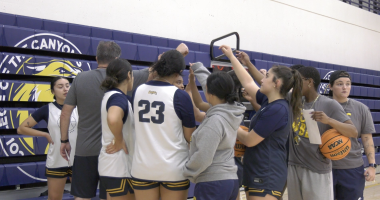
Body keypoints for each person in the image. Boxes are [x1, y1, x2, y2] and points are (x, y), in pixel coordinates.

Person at [59, 41, 154, 200]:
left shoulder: (80, 78)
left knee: (82, 197)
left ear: (96, 58)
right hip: (114, 151)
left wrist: (64, 140)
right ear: (118, 60)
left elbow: (65, 113)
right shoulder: (128, 76)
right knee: (110, 197)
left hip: (85, 150)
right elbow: (155, 71)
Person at [220, 45, 303, 200]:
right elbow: (248, 82)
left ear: (276, 83)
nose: (262, 79)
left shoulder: (278, 109)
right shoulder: (269, 101)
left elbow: (250, 140)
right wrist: (232, 57)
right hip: (257, 170)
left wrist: (229, 123)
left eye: (267, 76)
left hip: (267, 173)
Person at [131, 50, 196, 200]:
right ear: (178, 72)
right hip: (173, 168)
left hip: (142, 167)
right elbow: (190, 137)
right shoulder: (180, 96)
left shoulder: (138, 91)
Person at [287, 66, 357, 200]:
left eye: (298, 80)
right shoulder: (294, 100)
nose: (295, 85)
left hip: (316, 168)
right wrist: (248, 64)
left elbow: (353, 131)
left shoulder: (329, 104)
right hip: (294, 165)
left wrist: (329, 120)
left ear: (309, 82)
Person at [183, 72, 246, 200]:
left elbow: (203, 157)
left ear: (209, 93)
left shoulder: (214, 121)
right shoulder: (230, 113)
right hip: (230, 181)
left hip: (213, 182)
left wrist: (187, 170)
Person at [18, 77, 78, 200]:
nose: (65, 89)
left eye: (67, 85)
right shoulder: (47, 109)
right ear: (52, 91)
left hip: (77, 158)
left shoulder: (79, 107)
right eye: (60, 87)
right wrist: (45, 134)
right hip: (56, 158)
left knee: (81, 197)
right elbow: (21, 128)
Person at [329, 70, 376, 200]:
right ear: (330, 86)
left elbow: (367, 138)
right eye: (339, 84)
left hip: (352, 168)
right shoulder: (322, 106)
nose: (345, 87)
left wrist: (372, 165)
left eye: (348, 84)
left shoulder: (361, 108)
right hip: (325, 167)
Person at [98, 58, 135, 200]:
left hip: (113, 167)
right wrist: (119, 140)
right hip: (119, 167)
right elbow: (113, 119)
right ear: (129, 75)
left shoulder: (112, 96)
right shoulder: (118, 98)